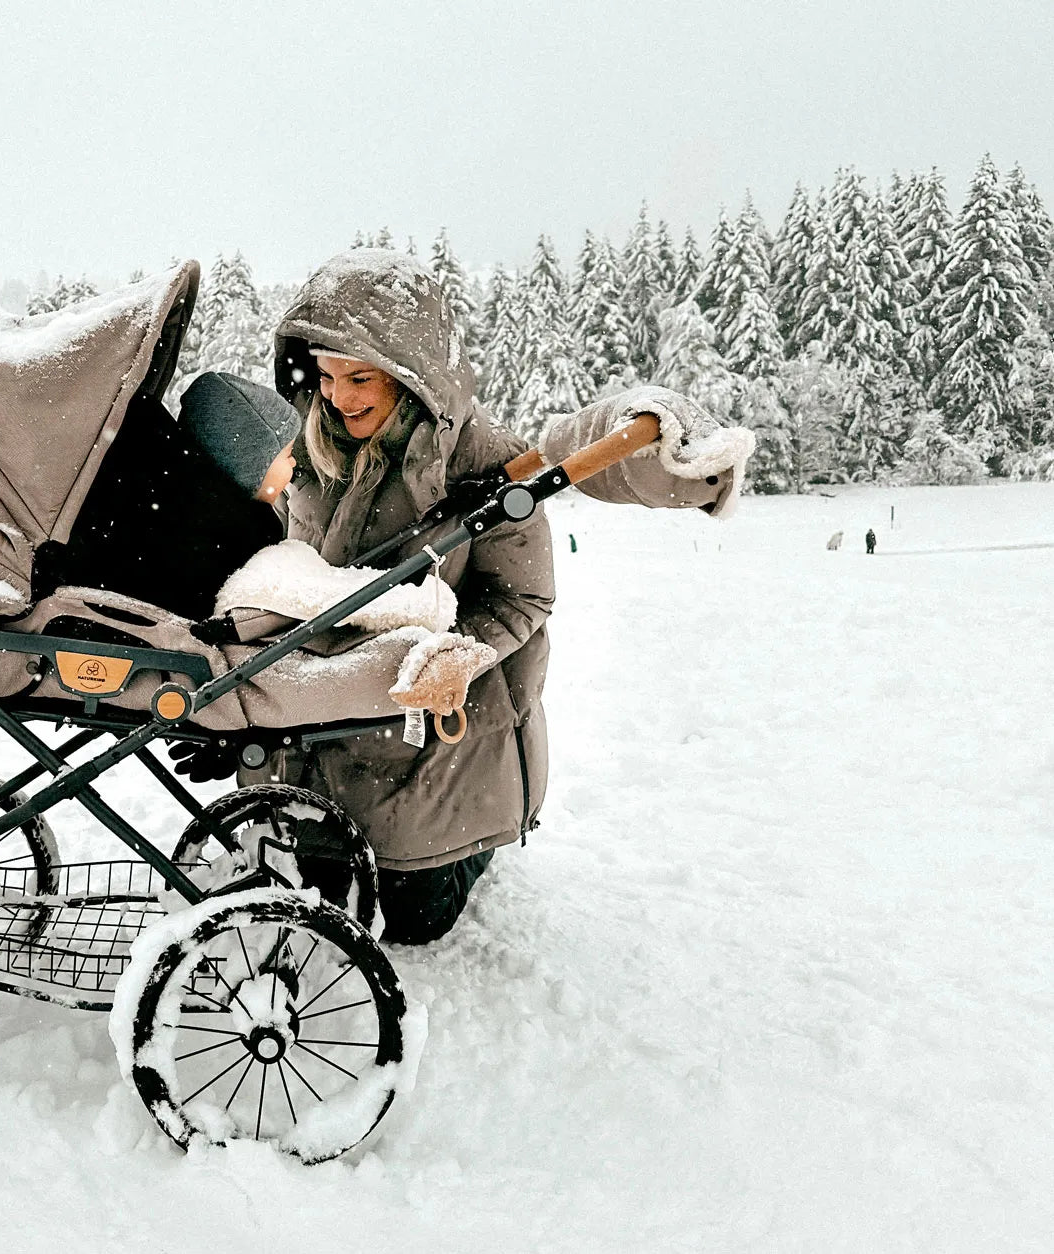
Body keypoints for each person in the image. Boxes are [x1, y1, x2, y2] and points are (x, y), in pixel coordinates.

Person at [253, 249, 746, 945]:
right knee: (316, 887)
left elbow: (523, 599)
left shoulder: (487, 463)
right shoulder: (312, 455)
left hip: (445, 726)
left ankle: (478, 838)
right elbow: (289, 571)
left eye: (360, 377)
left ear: (409, 375)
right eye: (328, 376)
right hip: (338, 706)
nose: (340, 396)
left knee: (411, 922)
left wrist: (462, 654)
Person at [36, 371, 298, 621]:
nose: (294, 464)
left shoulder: (162, 494)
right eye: (287, 455)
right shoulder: (226, 535)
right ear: (249, 463)